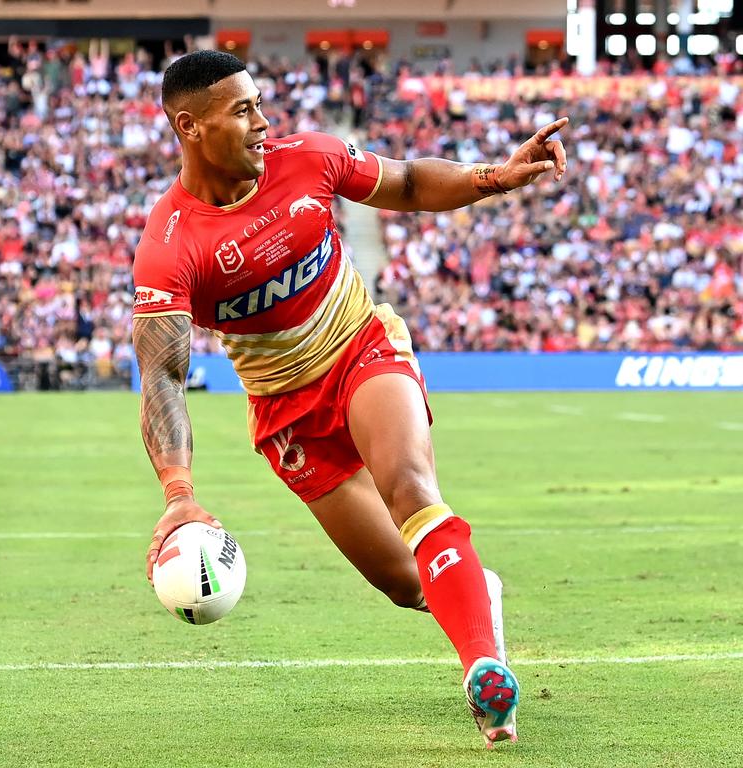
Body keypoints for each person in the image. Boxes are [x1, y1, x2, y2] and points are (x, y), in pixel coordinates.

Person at [132, 51, 567, 749]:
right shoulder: (171, 245)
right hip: (286, 411)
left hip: (362, 347)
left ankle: (485, 670)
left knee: (410, 488)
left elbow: (408, 182)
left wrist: (493, 178)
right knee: (402, 581)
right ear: (189, 127)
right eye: (241, 110)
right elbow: (162, 377)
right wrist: (178, 493)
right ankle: (474, 592)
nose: (262, 122)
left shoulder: (309, 158)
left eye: (259, 104)